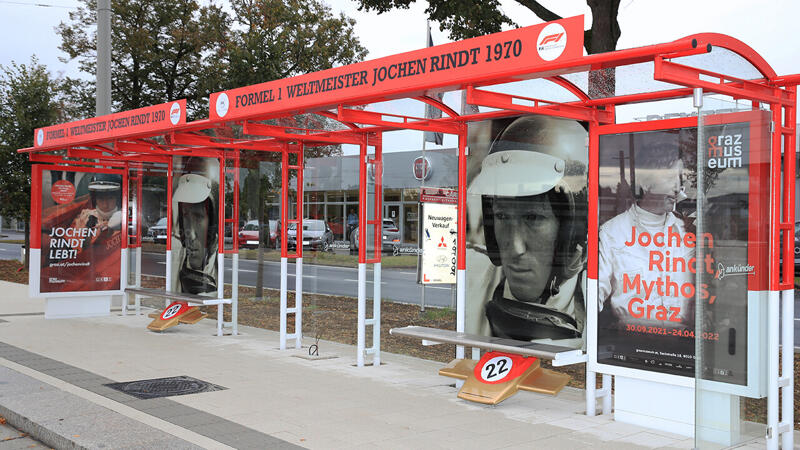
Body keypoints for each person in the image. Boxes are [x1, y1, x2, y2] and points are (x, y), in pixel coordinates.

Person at [466, 115, 588, 348]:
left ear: (571, 232)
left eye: (532, 218)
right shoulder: (473, 278)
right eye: (502, 217)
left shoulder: (600, 299)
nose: (515, 247)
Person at [597, 140, 693, 328]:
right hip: (632, 342)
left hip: (684, 343)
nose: (677, 188)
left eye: (679, 180)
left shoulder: (685, 231)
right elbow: (595, 296)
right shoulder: (612, 233)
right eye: (670, 178)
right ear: (645, 182)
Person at [172, 171, 218, 296]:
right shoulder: (177, 257)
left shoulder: (221, 263)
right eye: (185, 216)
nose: (191, 235)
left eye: (198, 217)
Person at [69, 174, 122, 251]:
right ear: (95, 200)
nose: (105, 204)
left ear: (117, 199)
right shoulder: (84, 218)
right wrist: (87, 230)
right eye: (101, 199)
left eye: (110, 198)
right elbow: (71, 245)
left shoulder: (124, 218)